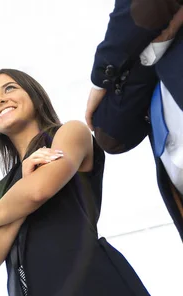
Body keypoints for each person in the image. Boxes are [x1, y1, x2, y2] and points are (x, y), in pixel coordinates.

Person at [0, 69, 149, 296]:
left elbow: (38, 190)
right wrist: (20, 192)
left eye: (9, 88)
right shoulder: (3, 188)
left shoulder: (69, 133)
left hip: (93, 283)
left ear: (34, 95)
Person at [85, 0, 183, 241]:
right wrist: (154, 46)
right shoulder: (147, 59)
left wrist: (100, 77)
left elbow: (145, 9)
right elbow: (110, 134)